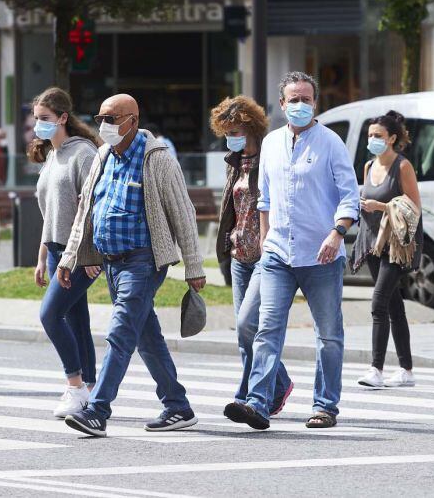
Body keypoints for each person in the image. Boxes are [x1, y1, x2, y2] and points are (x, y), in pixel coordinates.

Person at [56, 94, 205, 438]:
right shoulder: (104, 156)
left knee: (120, 333)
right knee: (146, 336)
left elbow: (183, 213)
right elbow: (86, 210)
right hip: (111, 261)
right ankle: (177, 405)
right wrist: (70, 256)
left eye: (112, 118)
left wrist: (194, 267)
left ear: (133, 121)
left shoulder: (157, 159)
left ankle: (98, 410)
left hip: (144, 260)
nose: (104, 125)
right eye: (101, 117)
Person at [224, 72, 358, 431]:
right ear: (281, 104)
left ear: (315, 103)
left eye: (306, 98)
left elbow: (350, 197)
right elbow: (265, 198)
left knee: (328, 333)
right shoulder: (270, 143)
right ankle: (258, 404)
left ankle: (325, 405)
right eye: (293, 99)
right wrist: (267, 240)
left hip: (321, 257)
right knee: (261, 328)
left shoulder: (331, 143)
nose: (300, 105)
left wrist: (336, 234)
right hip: (278, 255)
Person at [210, 95, 295, 416]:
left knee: (249, 325)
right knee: (244, 333)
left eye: (235, 130)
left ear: (252, 127)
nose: (231, 137)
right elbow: (230, 209)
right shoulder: (234, 162)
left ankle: (271, 384)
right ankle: (255, 391)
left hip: (265, 254)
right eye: (226, 131)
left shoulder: (269, 158)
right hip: (238, 255)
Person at [30, 87, 101, 418]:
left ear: (62, 117)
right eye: (35, 119)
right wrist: (42, 256)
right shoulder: (51, 156)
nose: (38, 125)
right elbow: (51, 213)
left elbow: (94, 208)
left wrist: (89, 253)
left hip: (79, 253)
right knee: (76, 320)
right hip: (58, 250)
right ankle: (89, 388)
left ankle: (74, 386)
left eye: (45, 119)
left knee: (50, 315)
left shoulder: (83, 154)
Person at [353, 110, 422, 389]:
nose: (373, 140)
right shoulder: (369, 167)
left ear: (392, 138)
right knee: (394, 305)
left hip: (396, 246)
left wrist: (380, 206)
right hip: (372, 242)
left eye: (378, 136)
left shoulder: (402, 166)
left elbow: (414, 205)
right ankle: (406, 370)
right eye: (370, 136)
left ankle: (376, 369)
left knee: (379, 302)